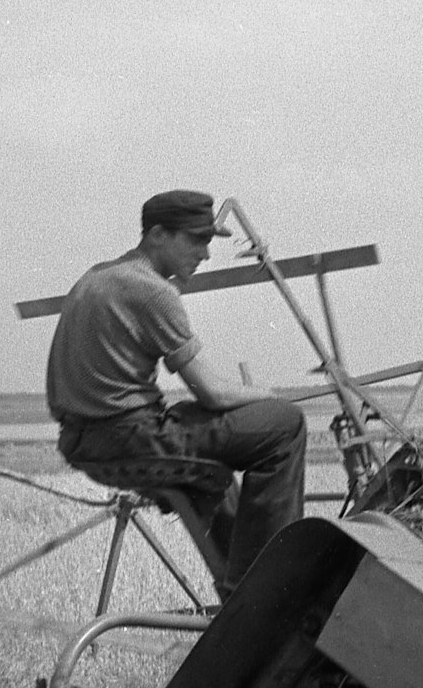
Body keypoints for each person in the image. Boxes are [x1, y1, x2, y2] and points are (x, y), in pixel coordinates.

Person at [46, 189, 306, 590]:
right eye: (196, 240)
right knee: (285, 425)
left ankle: (241, 584)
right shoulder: (153, 290)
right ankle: (268, 585)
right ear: (157, 236)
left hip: (83, 440)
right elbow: (214, 394)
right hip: (130, 438)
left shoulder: (95, 278)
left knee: (204, 451)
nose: (204, 254)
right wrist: (268, 396)